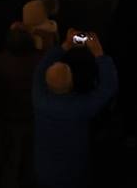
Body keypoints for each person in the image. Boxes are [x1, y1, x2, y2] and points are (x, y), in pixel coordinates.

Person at [32, 30, 118, 188]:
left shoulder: (38, 97)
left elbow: (41, 67)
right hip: (73, 173)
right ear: (72, 83)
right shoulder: (79, 108)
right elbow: (108, 87)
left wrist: (65, 45)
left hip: (43, 169)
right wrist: (98, 53)